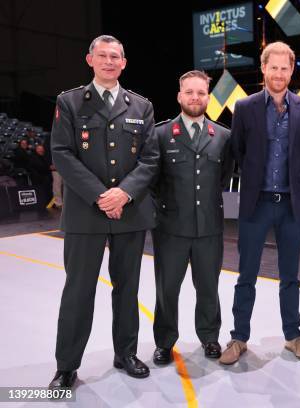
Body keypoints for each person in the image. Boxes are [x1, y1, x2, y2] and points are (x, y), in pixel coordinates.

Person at [49, 35, 155, 390]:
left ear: (124, 63)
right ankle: (66, 365)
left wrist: (124, 192)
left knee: (127, 289)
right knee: (78, 290)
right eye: (103, 56)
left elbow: (150, 159)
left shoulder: (141, 106)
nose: (109, 61)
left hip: (130, 212)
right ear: (90, 60)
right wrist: (100, 195)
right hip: (85, 214)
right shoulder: (71, 101)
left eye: (116, 57)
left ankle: (125, 354)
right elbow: (62, 152)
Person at [121, 70, 233, 365]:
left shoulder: (223, 136)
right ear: (179, 96)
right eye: (189, 92)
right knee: (167, 289)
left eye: (201, 93)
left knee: (208, 287)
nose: (195, 98)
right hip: (170, 229)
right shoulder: (159, 134)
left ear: (208, 97)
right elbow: (151, 179)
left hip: (209, 227)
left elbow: (223, 176)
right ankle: (165, 342)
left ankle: (210, 337)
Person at [221, 41, 300, 364]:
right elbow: (237, 149)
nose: (279, 74)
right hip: (256, 203)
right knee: (246, 274)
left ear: (292, 70)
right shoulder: (245, 107)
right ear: (263, 68)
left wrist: (296, 176)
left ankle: (293, 336)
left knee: (290, 275)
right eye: (273, 67)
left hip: (291, 204)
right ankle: (238, 338)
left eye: (284, 68)